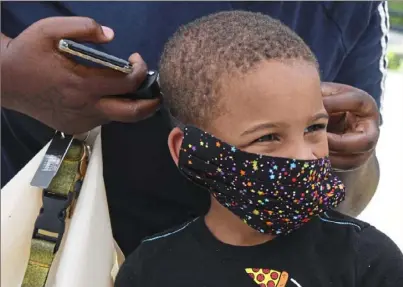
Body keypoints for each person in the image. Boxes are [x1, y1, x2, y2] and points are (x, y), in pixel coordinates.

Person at [1, 2, 386, 256]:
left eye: (313, 129)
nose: (302, 152)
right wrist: (9, 75)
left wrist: (351, 160)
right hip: (37, 248)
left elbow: (351, 197)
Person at [115, 11, 403, 287]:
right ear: (189, 149)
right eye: (268, 137)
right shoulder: (151, 270)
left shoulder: (369, 261)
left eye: (314, 128)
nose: (304, 155)